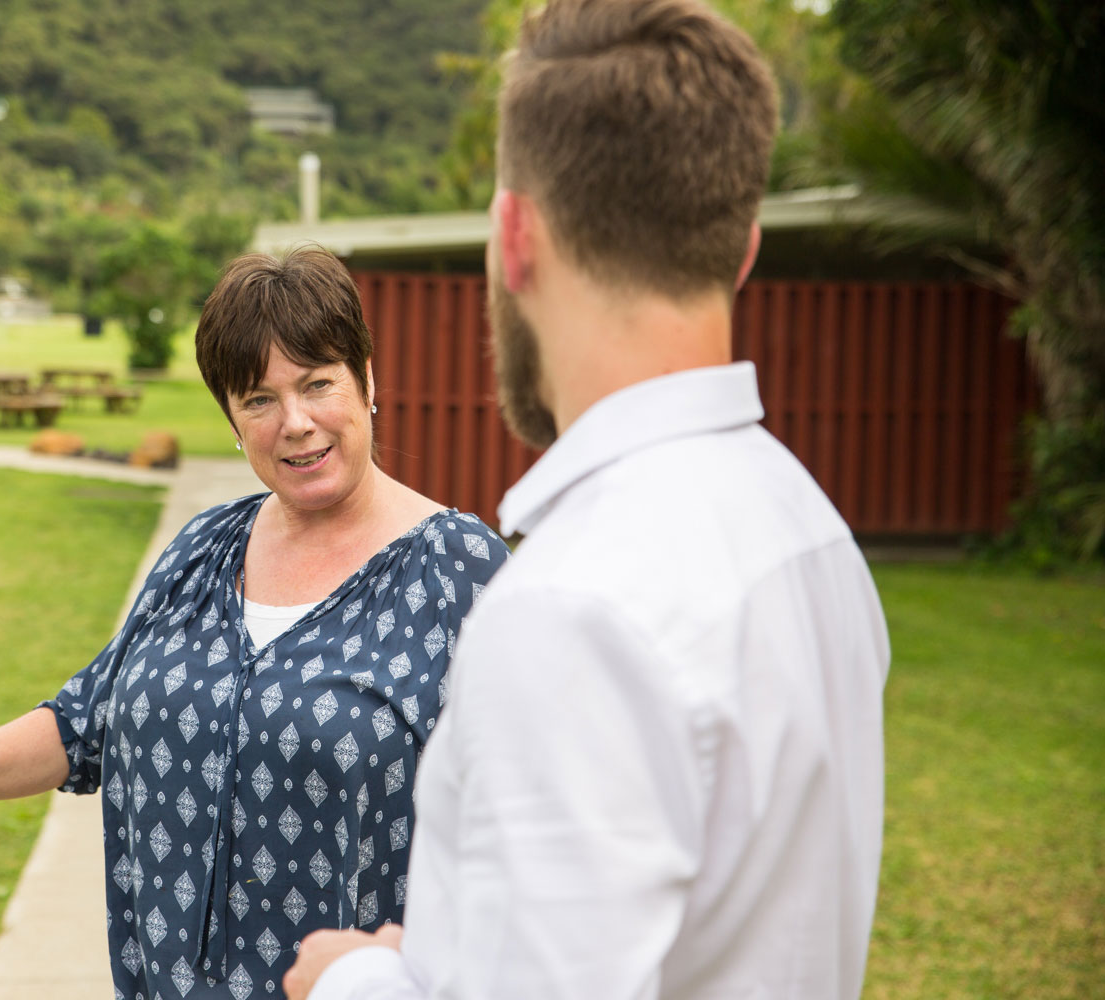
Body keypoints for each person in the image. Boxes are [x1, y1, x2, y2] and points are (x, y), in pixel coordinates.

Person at [284, 2, 891, 999]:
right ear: (742, 248)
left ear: (513, 235)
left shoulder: (574, 607)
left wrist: (350, 979)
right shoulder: (809, 529)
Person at [0, 245, 510, 999]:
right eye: (258, 399)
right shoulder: (204, 549)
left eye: (318, 384)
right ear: (230, 417)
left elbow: (527, 832)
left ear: (368, 382)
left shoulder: (459, 572)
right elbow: (83, 725)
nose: (296, 423)